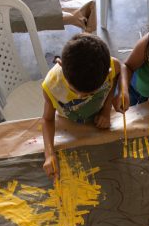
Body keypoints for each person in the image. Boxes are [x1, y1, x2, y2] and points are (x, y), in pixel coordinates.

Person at [41, 33, 121, 179]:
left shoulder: (111, 67)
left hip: (97, 117)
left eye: (88, 93)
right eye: (74, 91)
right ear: (61, 66)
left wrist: (106, 109)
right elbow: (47, 120)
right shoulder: (51, 86)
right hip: (68, 123)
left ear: (106, 74)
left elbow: (116, 74)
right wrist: (49, 154)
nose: (80, 97)